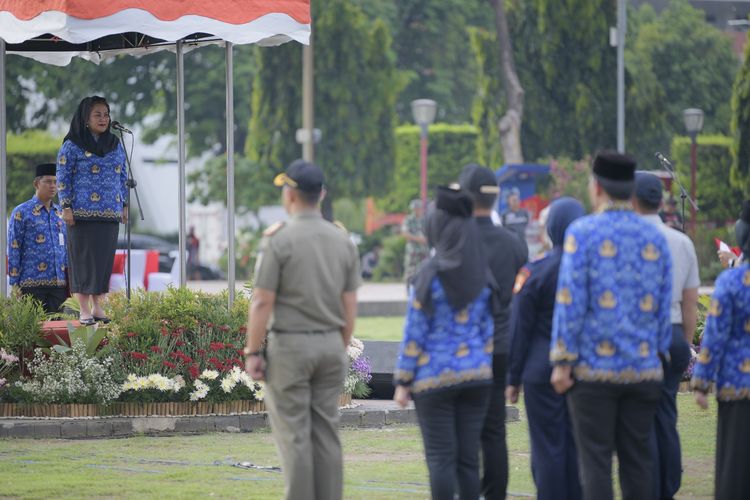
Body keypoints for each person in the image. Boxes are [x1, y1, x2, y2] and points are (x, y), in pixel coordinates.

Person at [550, 151, 672, 500]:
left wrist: (562, 360)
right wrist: (659, 351)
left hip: (593, 372)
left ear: (597, 187)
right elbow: (663, 304)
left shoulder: (582, 233)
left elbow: (570, 300)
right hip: (644, 369)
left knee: (596, 465)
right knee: (638, 463)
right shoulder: (655, 237)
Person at [243, 159, 360, 500]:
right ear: (321, 194)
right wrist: (338, 344)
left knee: (295, 435)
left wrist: (252, 351)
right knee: (326, 433)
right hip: (330, 346)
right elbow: (350, 304)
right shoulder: (341, 240)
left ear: (290, 194)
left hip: (291, 348)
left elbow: (262, 302)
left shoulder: (280, 239)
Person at [393, 185, 494, 500]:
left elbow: (415, 333)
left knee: (440, 459)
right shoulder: (481, 273)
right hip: (476, 377)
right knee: (468, 460)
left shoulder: (428, 275)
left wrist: (403, 380)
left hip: (434, 380)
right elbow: (487, 331)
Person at [507, 197, 585, 500]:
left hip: (541, 372)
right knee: (579, 447)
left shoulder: (535, 270)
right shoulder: (589, 269)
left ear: (550, 229)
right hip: (582, 369)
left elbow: (520, 329)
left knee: (547, 448)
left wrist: (513, 379)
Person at [458, 163, 528, 500]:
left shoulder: (456, 239)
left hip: (465, 347)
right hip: (500, 345)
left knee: (465, 430)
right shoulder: (513, 243)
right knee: (494, 428)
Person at [633, 172, 699, 500]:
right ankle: (668, 486)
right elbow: (690, 304)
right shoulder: (681, 241)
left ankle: (646, 486)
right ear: (661, 201)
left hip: (639, 336)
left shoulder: (628, 238)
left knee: (638, 421)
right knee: (666, 413)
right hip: (673, 333)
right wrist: (685, 344)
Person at [692, 200, 750, 500]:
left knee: (735, 468)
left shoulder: (731, 282)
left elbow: (713, 336)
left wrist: (701, 382)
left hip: (738, 389)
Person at [57, 96, 127, 325]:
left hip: (109, 212)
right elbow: (63, 177)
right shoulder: (72, 145)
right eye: (97, 114)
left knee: (103, 261)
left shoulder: (115, 144)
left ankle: (98, 307)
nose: (103, 119)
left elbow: (122, 176)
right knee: (83, 261)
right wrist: (66, 206)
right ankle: (84, 310)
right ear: (85, 118)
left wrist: (124, 204)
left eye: (106, 114)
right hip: (80, 214)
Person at [7, 163, 68, 314]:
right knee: (34, 332)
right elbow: (14, 248)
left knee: (56, 332)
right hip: (31, 285)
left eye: (55, 182)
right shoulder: (21, 212)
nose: (53, 186)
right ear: (36, 184)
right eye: (48, 182)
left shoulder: (60, 213)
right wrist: (14, 285)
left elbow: (66, 249)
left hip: (58, 285)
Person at [401, 199, 429, 286]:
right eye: (415, 209)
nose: (417, 210)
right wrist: (418, 239)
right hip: (413, 251)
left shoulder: (425, 220)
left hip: (424, 251)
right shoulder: (408, 220)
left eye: (418, 208)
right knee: (410, 273)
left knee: (425, 272)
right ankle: (409, 292)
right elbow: (405, 233)